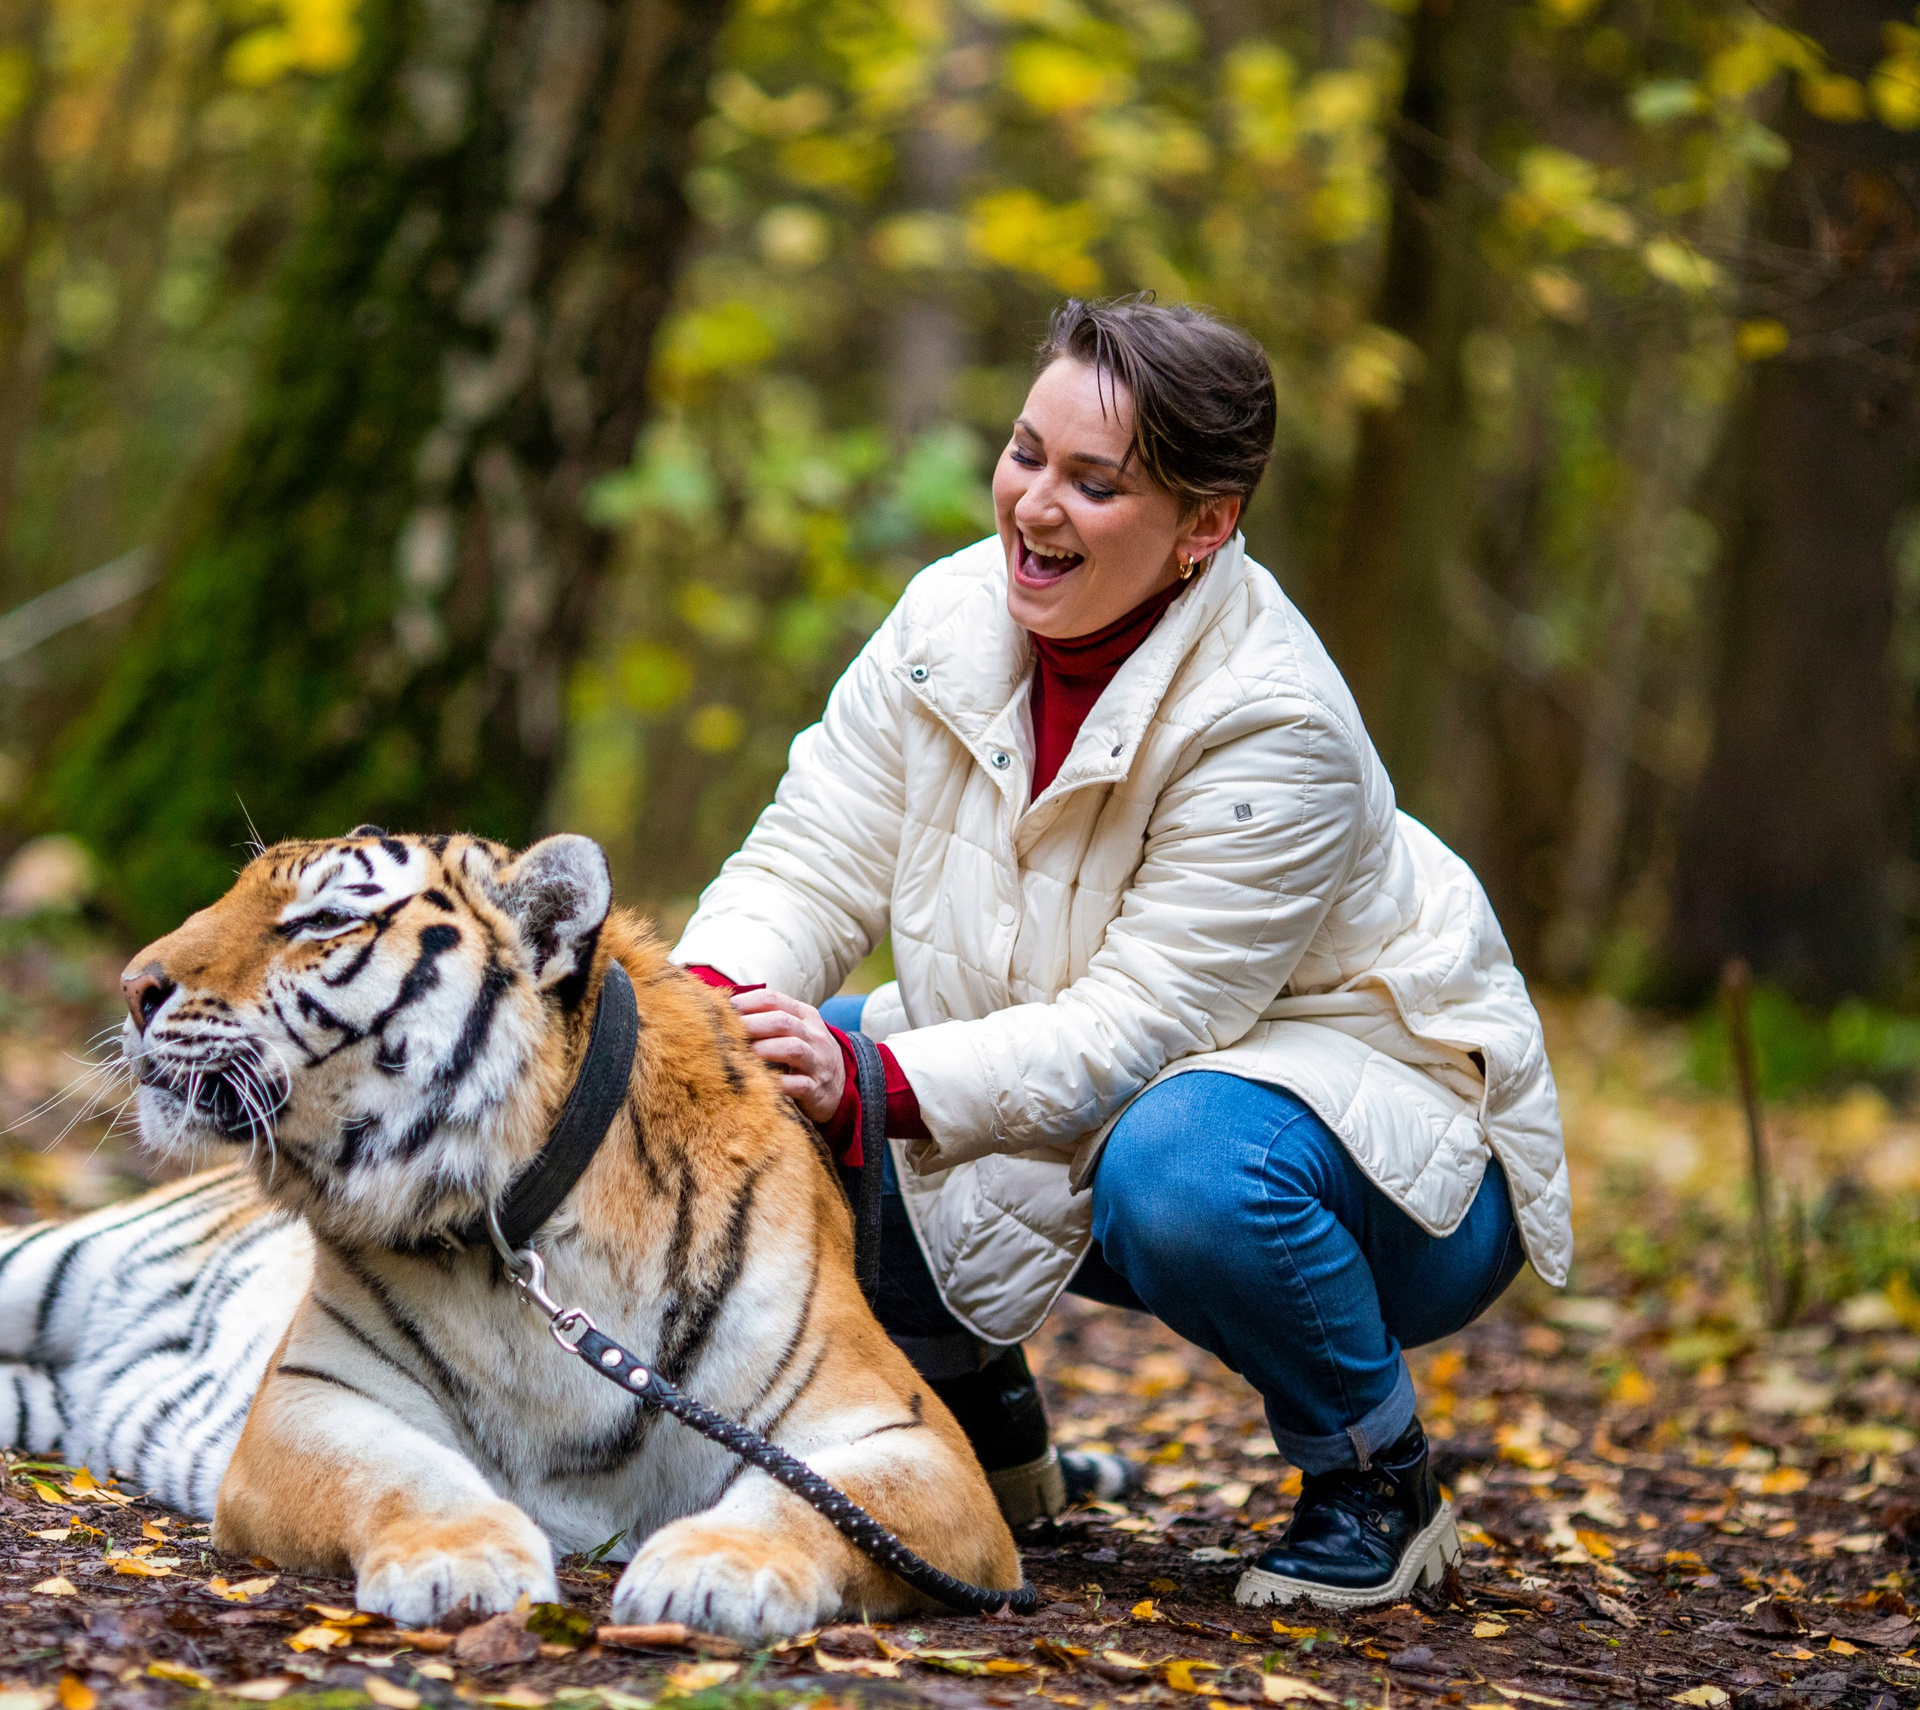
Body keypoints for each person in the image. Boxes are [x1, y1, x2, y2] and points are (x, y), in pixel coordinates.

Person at [669, 297, 1569, 1611]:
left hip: (1393, 1161)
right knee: (808, 1043)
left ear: (1203, 525)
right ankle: (967, 1430)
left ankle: (1378, 1476)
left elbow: (1136, 1025)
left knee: (1168, 1159)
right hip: (1142, 1085)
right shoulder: (945, 620)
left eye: (1096, 484)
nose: (1035, 506)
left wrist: (873, 1078)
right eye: (1027, 452)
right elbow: (810, 853)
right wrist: (699, 1008)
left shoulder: (1277, 721)